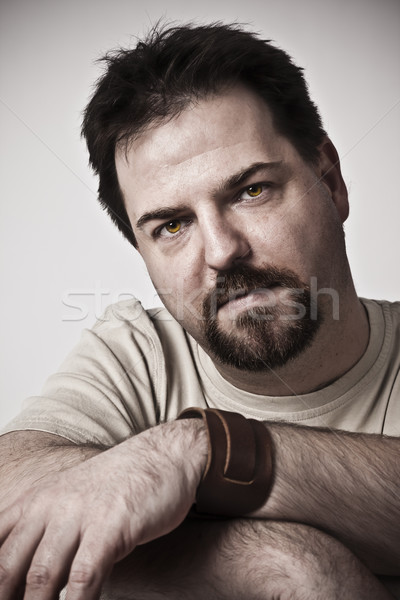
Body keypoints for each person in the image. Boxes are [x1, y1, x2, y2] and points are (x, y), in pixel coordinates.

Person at [0, 22, 399, 600]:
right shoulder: (141, 353)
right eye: (173, 225)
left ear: (330, 181)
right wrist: (281, 565)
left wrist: (203, 453)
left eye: (252, 191)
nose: (221, 252)